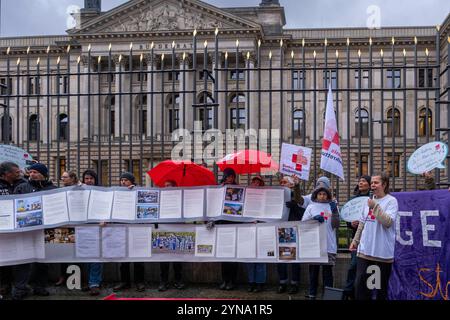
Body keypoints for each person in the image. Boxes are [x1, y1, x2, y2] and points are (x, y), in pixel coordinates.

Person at [350, 172, 399, 300]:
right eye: (371, 183)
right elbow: (362, 222)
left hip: (381, 254)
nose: (373, 185)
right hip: (365, 252)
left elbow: (387, 222)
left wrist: (375, 206)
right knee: (361, 286)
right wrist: (355, 241)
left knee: (379, 289)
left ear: (384, 184)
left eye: (376, 183)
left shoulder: (391, 201)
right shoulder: (368, 201)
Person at [12, 163, 57, 300]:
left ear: (43, 174)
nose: (31, 174)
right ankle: (20, 288)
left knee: (43, 260)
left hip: (45, 229)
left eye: (35, 172)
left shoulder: (53, 189)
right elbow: (13, 205)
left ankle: (40, 287)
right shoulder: (21, 187)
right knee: (23, 260)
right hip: (25, 229)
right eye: (30, 172)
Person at [302, 186, 340, 300]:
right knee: (313, 271)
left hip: (329, 244)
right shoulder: (311, 207)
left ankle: (328, 295)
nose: (322, 196)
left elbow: (336, 225)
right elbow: (303, 223)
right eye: (320, 194)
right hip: (314, 245)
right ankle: (312, 294)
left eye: (324, 194)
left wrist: (334, 212)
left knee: (327, 272)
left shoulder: (332, 206)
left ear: (328, 196)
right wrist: (314, 219)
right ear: (316, 195)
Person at [114, 172, 146, 293]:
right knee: (124, 258)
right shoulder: (117, 194)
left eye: (126, 180)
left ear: (132, 182)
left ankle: (139, 282)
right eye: (121, 180)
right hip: (122, 229)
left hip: (136, 229)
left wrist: (136, 191)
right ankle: (124, 282)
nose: (123, 182)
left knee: (138, 258)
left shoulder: (137, 192)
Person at [0, 162, 27, 299]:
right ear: (6, 174)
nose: (19, 173)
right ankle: (4, 284)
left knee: (20, 259)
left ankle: (20, 287)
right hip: (3, 229)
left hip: (19, 228)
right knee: (3, 258)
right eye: (16, 172)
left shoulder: (23, 183)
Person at [342, 175, 371, 300]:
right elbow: (348, 217)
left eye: (364, 181)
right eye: (359, 181)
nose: (361, 183)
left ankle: (366, 292)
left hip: (370, 237)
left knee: (369, 267)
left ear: (369, 184)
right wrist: (351, 223)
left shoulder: (373, 199)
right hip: (357, 238)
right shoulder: (353, 200)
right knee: (353, 265)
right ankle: (348, 291)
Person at [277, 175, 304, 294]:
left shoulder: (295, 196)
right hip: (280, 229)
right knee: (281, 258)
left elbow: (301, 208)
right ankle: (282, 282)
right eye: (281, 182)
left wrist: (295, 206)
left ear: (291, 185)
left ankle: (294, 283)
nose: (282, 184)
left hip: (292, 229)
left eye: (285, 182)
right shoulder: (277, 196)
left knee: (294, 258)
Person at [54, 171, 81, 287]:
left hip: (77, 224)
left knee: (77, 253)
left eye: (65, 177)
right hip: (63, 224)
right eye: (62, 177)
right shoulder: (60, 190)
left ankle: (76, 277)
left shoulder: (80, 189)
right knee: (63, 252)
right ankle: (62, 276)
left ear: (72, 178)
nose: (62, 179)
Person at [158, 180, 185, 292]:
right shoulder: (161, 198)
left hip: (178, 229)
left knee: (177, 258)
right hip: (164, 229)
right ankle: (164, 281)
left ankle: (178, 280)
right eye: (165, 186)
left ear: (175, 186)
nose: (166, 187)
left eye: (168, 185)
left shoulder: (181, 197)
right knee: (163, 258)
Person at [81, 169, 103, 296]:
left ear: (95, 180)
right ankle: (91, 281)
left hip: (97, 226)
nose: (88, 181)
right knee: (87, 255)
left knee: (96, 256)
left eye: (91, 179)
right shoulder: (79, 192)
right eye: (86, 178)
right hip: (83, 226)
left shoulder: (102, 192)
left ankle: (94, 283)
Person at [246, 176, 267, 293]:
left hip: (262, 229)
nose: (256, 184)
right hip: (249, 229)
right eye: (254, 181)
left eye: (258, 182)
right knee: (250, 257)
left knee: (261, 257)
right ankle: (251, 282)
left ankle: (260, 283)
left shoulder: (265, 197)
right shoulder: (247, 197)